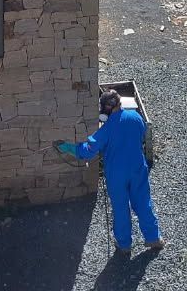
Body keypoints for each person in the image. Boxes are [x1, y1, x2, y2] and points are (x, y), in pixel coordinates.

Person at [56, 90, 163, 256]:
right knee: (143, 202)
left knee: (121, 208)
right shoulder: (135, 117)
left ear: (106, 108)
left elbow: (88, 151)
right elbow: (141, 134)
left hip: (116, 173)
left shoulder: (106, 130)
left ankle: (124, 245)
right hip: (137, 167)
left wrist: (69, 147)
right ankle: (153, 238)